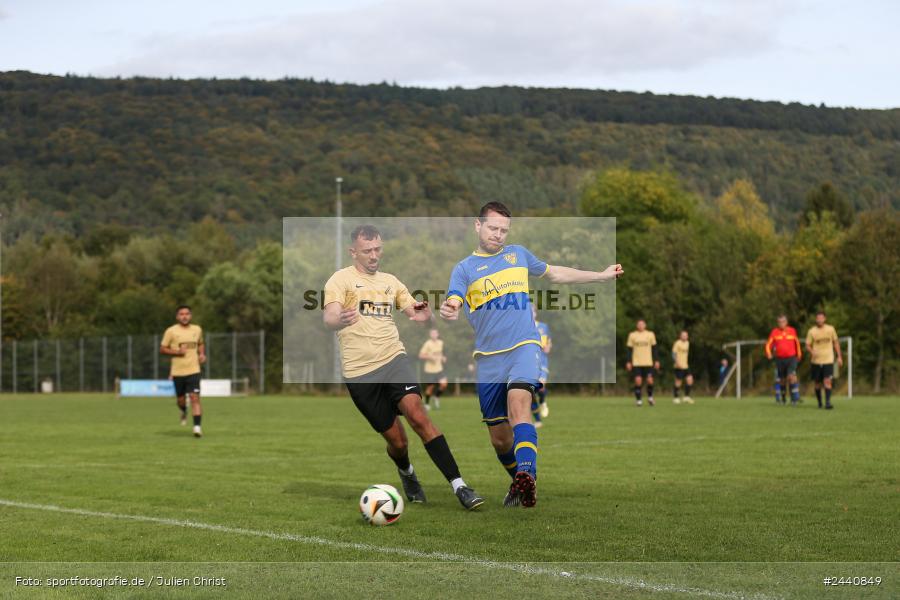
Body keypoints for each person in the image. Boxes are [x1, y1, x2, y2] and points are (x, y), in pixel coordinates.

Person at [440, 202, 623, 508]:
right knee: (499, 438)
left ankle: (527, 473)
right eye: (493, 228)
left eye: (503, 230)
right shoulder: (464, 269)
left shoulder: (518, 255)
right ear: (477, 225)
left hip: (524, 345)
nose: (498, 235)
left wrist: (601, 276)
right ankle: (519, 482)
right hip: (487, 358)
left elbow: (557, 274)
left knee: (519, 406)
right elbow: (454, 298)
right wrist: (450, 308)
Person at [323, 224, 483, 510]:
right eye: (367, 251)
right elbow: (330, 317)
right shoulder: (340, 280)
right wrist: (340, 319)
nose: (374, 255)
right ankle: (407, 472)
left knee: (419, 417)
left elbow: (416, 314)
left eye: (377, 249)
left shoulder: (391, 281)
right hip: (360, 375)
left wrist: (425, 315)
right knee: (397, 442)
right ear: (353, 252)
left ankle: (460, 486)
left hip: (393, 359)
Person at [160, 306, 206, 437]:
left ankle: (197, 427)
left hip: (194, 370)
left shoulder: (197, 329)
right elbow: (162, 349)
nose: (184, 316)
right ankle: (183, 410)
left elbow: (201, 343)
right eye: (181, 314)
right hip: (178, 372)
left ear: (190, 316)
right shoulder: (171, 331)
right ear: (177, 317)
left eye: (187, 314)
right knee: (180, 400)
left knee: (194, 398)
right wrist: (177, 352)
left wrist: (202, 354)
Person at [805, 311, 842, 410]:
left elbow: (836, 343)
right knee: (817, 384)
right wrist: (812, 351)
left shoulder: (830, 329)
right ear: (816, 319)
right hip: (816, 361)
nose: (820, 320)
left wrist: (839, 356)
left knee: (827, 381)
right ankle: (820, 402)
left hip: (828, 360)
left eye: (821, 318)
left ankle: (828, 403)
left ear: (824, 319)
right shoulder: (812, 331)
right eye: (818, 318)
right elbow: (807, 345)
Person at [765, 314, 802, 406]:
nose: (781, 323)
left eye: (783, 321)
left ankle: (794, 399)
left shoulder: (792, 331)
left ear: (786, 322)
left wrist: (799, 354)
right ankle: (783, 398)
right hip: (780, 359)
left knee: (791, 376)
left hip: (791, 358)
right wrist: (769, 354)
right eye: (779, 322)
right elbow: (768, 345)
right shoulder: (774, 332)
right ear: (777, 323)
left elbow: (797, 343)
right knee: (782, 380)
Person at [626, 319, 659, 407]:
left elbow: (654, 348)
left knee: (650, 380)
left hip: (648, 362)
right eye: (639, 324)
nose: (641, 326)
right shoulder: (632, 335)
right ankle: (639, 400)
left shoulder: (650, 334)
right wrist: (629, 362)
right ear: (637, 326)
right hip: (636, 362)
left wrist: (656, 360)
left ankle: (650, 397)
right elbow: (629, 350)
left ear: (645, 325)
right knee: (638, 381)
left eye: (642, 324)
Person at [530, 304, 552, 427]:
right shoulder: (522, 327)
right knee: (530, 394)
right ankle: (538, 420)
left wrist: (548, 347)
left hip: (541, 363)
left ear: (535, 313)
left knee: (541, 387)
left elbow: (549, 343)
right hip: (528, 364)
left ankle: (543, 401)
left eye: (532, 311)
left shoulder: (543, 327)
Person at [418, 328, 448, 411]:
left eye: (435, 333)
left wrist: (443, 358)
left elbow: (441, 353)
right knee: (430, 388)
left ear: (438, 334)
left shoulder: (441, 343)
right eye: (432, 333)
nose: (434, 335)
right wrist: (430, 357)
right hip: (430, 370)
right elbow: (420, 355)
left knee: (444, 384)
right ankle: (427, 404)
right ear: (430, 335)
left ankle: (436, 397)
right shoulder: (427, 344)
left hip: (439, 369)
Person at [671, 330, 694, 404]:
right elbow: (673, 354)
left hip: (686, 366)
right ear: (680, 336)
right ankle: (675, 397)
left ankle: (686, 397)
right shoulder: (677, 343)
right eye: (683, 335)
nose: (685, 336)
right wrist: (677, 363)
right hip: (678, 366)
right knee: (678, 382)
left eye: (686, 335)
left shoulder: (687, 343)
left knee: (690, 380)